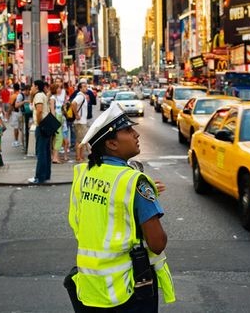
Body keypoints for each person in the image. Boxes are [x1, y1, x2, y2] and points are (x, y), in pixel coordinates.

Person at [66, 102, 175, 311]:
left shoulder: (83, 175)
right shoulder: (135, 182)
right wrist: (146, 198)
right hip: (128, 290)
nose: (136, 134)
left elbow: (83, 221)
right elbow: (157, 243)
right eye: (127, 130)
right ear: (112, 144)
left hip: (90, 288)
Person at [29, 80, 52, 184]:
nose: (31, 88)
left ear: (36, 86)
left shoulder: (38, 96)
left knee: (41, 152)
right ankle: (46, 174)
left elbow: (39, 110)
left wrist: (39, 123)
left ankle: (39, 177)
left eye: (32, 86)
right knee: (46, 152)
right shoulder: (43, 95)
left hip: (41, 125)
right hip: (47, 124)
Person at [72, 79, 89, 162]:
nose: (86, 88)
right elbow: (73, 103)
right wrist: (76, 115)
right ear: (80, 88)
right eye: (84, 86)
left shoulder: (83, 96)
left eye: (86, 86)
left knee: (82, 140)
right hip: (80, 122)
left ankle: (81, 156)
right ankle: (78, 157)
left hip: (82, 121)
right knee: (80, 140)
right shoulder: (80, 96)